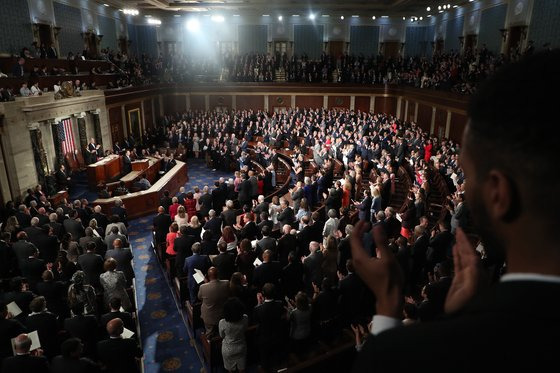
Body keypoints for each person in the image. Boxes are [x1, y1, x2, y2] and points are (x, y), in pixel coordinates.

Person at [351, 51, 560, 372]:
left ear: (497, 193)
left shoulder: (422, 355)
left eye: (468, 175)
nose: (461, 190)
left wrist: (387, 307)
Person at [219, 297, 249, 373]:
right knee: (242, 368)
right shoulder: (245, 318)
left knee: (230, 369)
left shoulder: (222, 322)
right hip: (241, 347)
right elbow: (245, 329)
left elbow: (221, 336)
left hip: (228, 349)